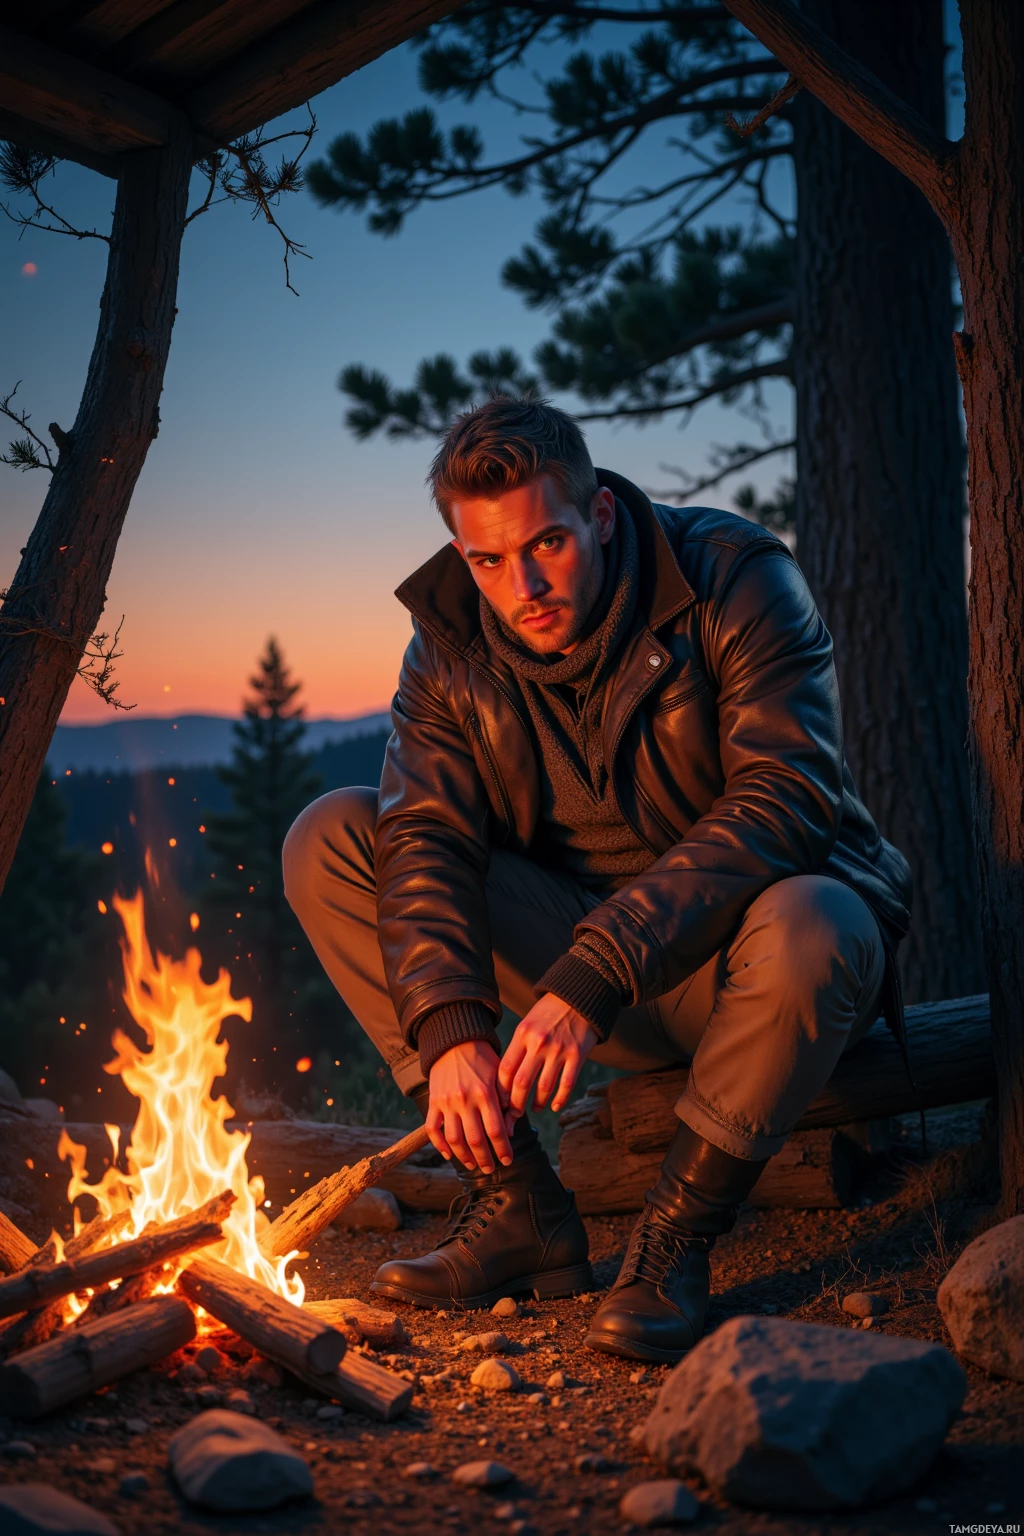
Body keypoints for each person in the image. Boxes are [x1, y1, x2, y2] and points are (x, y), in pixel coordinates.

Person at [283, 397, 911, 1363]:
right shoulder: (449, 644)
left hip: (747, 971)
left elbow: (787, 796)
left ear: (601, 517)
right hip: (577, 983)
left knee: (817, 917)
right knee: (333, 835)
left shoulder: (735, 580)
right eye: (487, 560)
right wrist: (448, 1027)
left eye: (547, 546)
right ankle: (515, 1208)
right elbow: (424, 842)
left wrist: (598, 968)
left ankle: (673, 1244)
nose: (521, 585)